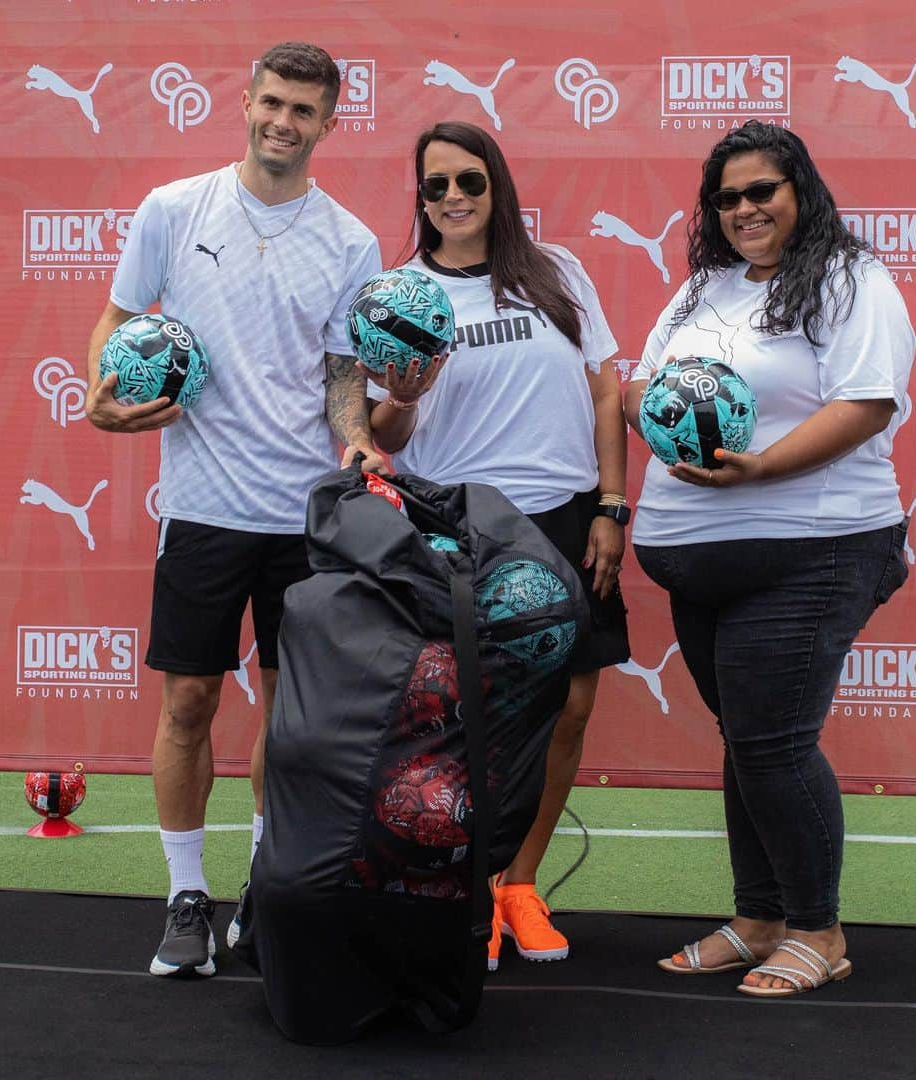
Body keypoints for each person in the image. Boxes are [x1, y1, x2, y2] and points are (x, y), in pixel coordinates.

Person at [84, 42, 383, 978]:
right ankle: (185, 896)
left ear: (330, 124)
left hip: (303, 517)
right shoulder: (173, 210)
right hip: (203, 507)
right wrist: (102, 389)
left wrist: (358, 436)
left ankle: (264, 884)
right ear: (246, 101)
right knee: (190, 703)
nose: (283, 122)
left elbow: (342, 374)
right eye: (273, 103)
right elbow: (119, 318)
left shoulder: (351, 240)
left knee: (292, 717)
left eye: (304, 110)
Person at [625, 121, 916, 997]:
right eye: (729, 197)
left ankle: (817, 932)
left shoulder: (850, 277)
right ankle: (759, 919)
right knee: (747, 741)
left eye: (763, 191)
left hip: (811, 549)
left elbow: (865, 404)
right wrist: (672, 406)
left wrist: (758, 466)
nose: (746, 208)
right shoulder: (700, 290)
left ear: (801, 192)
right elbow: (640, 383)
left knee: (774, 744)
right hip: (695, 555)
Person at [364, 120, 630, 970]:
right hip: (455, 524)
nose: (452, 199)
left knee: (569, 710)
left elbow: (604, 390)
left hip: (561, 515)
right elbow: (386, 430)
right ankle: (463, 887)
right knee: (462, 720)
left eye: (468, 182)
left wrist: (612, 507)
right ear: (421, 198)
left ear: (496, 187)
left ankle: (521, 882)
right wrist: (407, 393)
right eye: (435, 186)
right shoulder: (398, 293)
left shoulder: (556, 275)